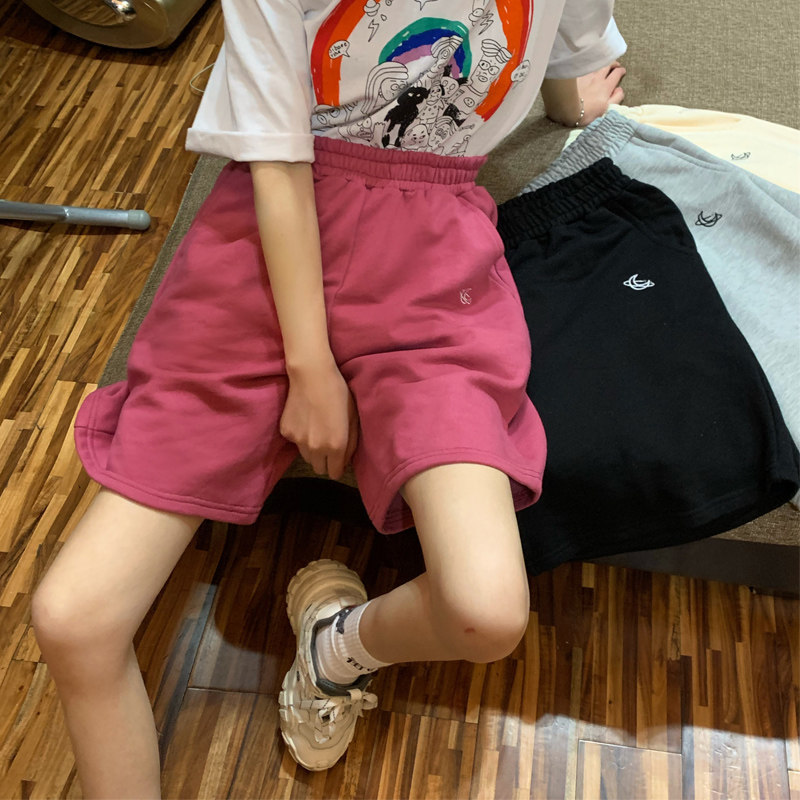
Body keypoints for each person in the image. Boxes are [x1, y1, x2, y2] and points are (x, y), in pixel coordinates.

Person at [30, 0, 625, 795]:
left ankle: (335, 648)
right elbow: (276, 164)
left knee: (487, 611)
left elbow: (565, 45)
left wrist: (573, 100)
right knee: (72, 619)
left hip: (430, 261)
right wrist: (311, 370)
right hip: (269, 226)